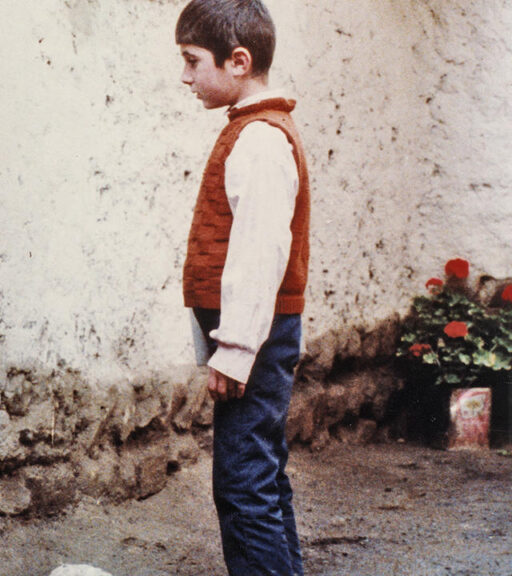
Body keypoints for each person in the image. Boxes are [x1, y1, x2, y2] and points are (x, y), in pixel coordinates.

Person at [175, 1, 309, 574]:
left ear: (237, 61)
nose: (184, 76)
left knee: (243, 483)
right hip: (256, 337)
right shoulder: (249, 131)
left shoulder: (259, 140)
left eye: (191, 60)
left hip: (253, 341)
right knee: (260, 473)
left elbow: (260, 254)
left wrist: (234, 348)